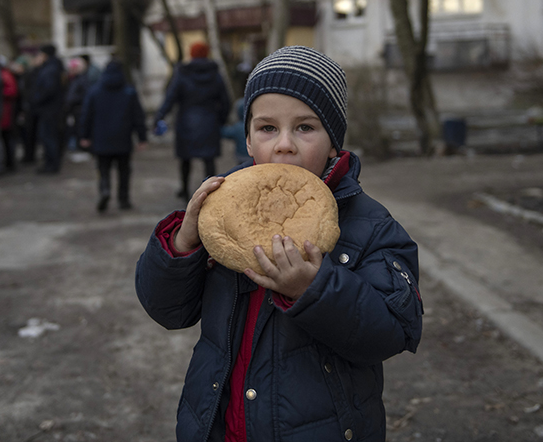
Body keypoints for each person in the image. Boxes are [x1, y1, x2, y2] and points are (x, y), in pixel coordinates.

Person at [135, 46, 423, 442]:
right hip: (219, 425)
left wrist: (315, 290)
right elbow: (167, 309)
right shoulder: (223, 215)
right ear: (249, 140)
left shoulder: (371, 226)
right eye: (267, 128)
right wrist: (184, 242)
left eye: (305, 128)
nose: (284, 144)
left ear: (334, 143)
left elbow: (393, 330)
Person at [154, 41, 230, 200]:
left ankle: (184, 189)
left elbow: (171, 97)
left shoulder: (182, 73)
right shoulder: (215, 74)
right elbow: (226, 101)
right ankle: (211, 190)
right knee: (209, 160)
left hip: (186, 123)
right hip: (209, 122)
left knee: (185, 159)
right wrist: (220, 120)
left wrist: (160, 116)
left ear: (192, 54)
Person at [79, 60, 148, 212]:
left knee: (103, 168)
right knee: (124, 170)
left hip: (101, 138)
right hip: (123, 138)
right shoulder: (129, 92)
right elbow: (138, 116)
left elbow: (86, 115)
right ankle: (123, 199)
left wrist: (84, 135)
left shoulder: (94, 91)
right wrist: (142, 137)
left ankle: (105, 190)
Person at [26, 44, 65, 174]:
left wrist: (36, 99)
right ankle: (50, 163)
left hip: (48, 110)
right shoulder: (50, 68)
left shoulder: (50, 70)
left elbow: (47, 90)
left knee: (48, 136)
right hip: (49, 109)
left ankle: (51, 165)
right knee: (48, 136)